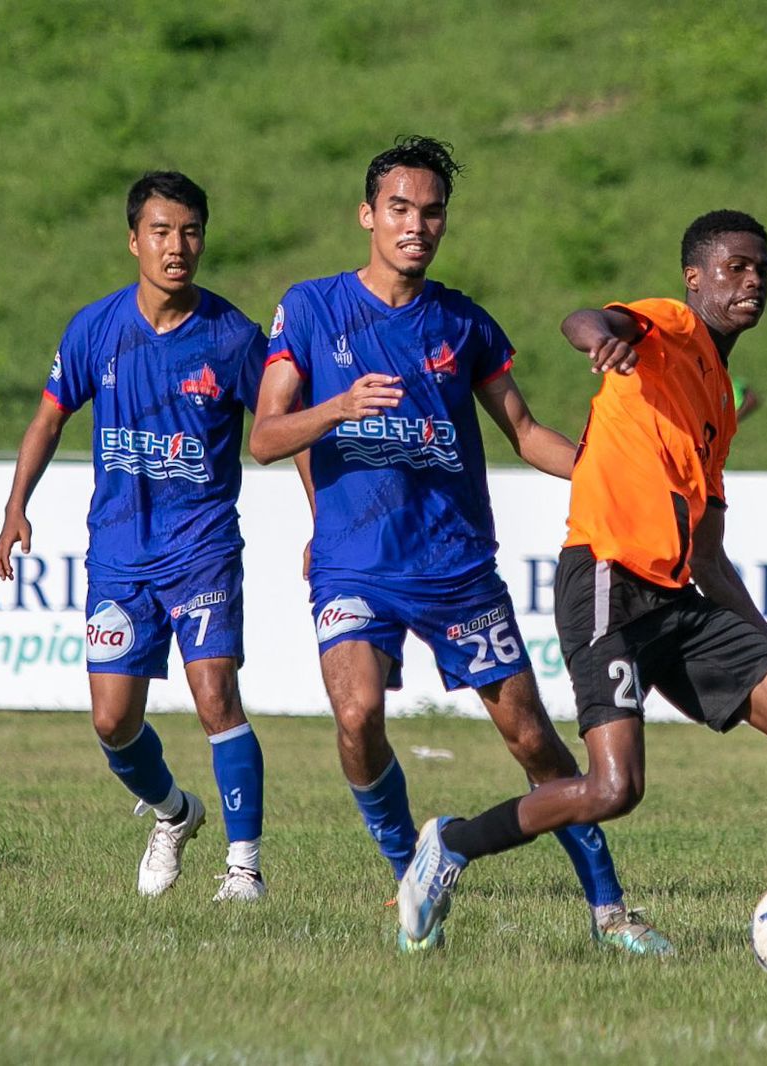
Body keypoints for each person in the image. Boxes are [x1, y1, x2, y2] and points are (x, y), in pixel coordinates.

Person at [248, 136, 668, 954]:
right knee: (358, 715)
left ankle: (610, 908)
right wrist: (339, 408)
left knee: (534, 740)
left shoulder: (463, 321)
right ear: (368, 215)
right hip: (355, 562)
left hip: (456, 566)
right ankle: (416, 882)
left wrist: (604, 473)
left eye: (431, 211)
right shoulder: (311, 307)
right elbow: (264, 436)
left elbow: (524, 433)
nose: (417, 224)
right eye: (399, 209)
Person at [394, 210, 767, 949]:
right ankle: (451, 846)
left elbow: (708, 558)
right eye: (736, 267)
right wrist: (599, 339)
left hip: (674, 596)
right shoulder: (667, 327)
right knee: (615, 790)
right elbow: (587, 318)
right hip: (606, 576)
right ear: (695, 279)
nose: (754, 280)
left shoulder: (719, 403)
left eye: (762, 268)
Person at [0, 172, 268, 902]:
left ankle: (244, 868)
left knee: (216, 696)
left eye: (190, 232)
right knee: (113, 722)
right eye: (161, 231)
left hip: (203, 546)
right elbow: (49, 418)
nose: (177, 247)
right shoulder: (96, 329)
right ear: (133, 240)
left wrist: (324, 519)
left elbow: (284, 432)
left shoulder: (235, 337)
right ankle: (175, 814)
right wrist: (16, 504)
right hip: (118, 555)